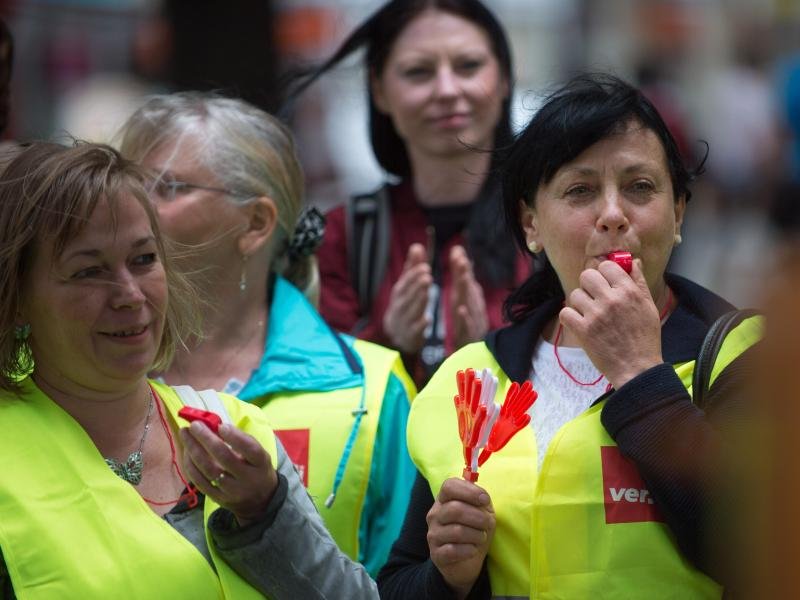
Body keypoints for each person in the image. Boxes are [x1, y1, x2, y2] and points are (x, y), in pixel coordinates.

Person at [377, 73, 763, 599]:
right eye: (580, 191)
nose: (612, 214)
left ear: (678, 214)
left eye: (640, 187)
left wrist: (639, 374)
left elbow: (762, 553)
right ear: (531, 224)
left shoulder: (748, 355)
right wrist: (449, 577)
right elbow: (398, 581)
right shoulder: (470, 379)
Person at [0, 141, 378, 598]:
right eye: (88, 271)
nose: (130, 295)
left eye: (143, 260)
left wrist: (265, 512)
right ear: (17, 299)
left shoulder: (236, 429)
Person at [117, 92, 416, 577]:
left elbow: (404, 582)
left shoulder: (371, 388)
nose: (132, 207)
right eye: (132, 184)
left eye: (166, 187)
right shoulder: (88, 375)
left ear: (256, 223)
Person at [288, 0, 531, 386]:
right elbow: (315, 390)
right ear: (379, 89)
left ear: (503, 79)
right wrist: (388, 343)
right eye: (419, 72)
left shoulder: (549, 226)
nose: (447, 89)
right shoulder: (342, 237)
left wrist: (492, 352)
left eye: (468, 66)